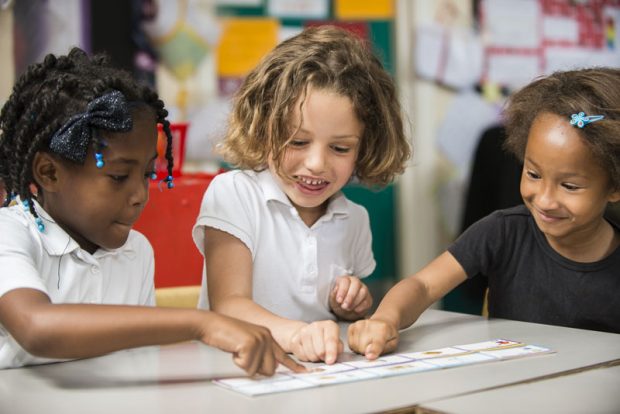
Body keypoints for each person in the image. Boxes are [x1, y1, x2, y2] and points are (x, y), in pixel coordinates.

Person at [0, 47, 304, 375]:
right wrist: (201, 323)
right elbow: (36, 328)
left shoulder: (136, 253)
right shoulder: (11, 234)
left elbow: (137, 360)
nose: (140, 195)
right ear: (49, 173)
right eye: (118, 177)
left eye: (147, 174)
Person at [348, 67, 620, 360]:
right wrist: (385, 319)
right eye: (533, 174)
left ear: (614, 187)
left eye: (569, 185)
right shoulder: (502, 232)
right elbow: (424, 285)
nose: (544, 199)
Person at [192, 26, 411, 365]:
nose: (316, 163)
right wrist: (297, 335)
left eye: (340, 148)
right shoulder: (233, 194)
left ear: (365, 146)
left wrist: (351, 306)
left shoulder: (354, 219)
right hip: (233, 373)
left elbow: (332, 318)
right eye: (297, 141)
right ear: (264, 127)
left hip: (316, 373)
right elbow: (228, 307)